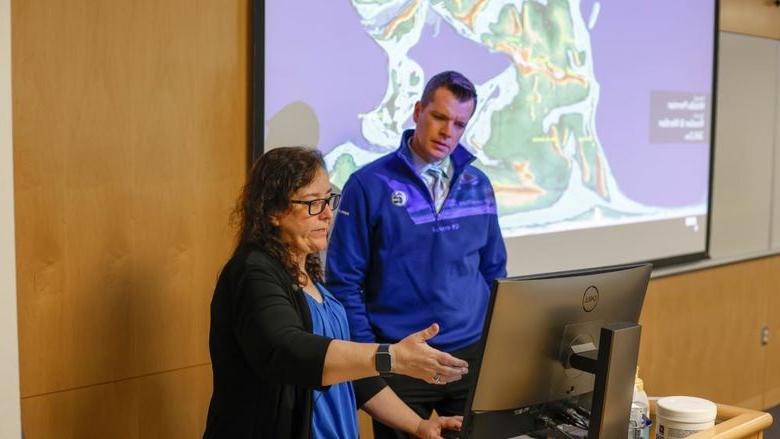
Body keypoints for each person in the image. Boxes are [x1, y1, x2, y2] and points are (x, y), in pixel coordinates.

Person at [203, 147, 469, 439]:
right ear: (273, 211)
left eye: (328, 199)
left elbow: (354, 377)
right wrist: (390, 355)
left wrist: (418, 425)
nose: (328, 214)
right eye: (312, 203)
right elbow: (287, 350)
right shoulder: (252, 272)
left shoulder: (309, 272)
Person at [326, 71, 508, 438]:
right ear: (417, 111)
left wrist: (495, 344)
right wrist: (373, 358)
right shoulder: (368, 184)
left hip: (470, 357)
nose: (448, 133)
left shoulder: (479, 185)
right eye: (439, 117)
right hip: (402, 359)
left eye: (459, 124)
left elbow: (494, 271)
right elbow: (344, 282)